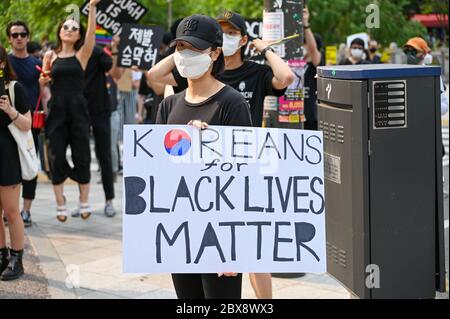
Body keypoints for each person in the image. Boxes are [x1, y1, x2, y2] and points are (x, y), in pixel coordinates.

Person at [156, 14, 252, 299]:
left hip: (220, 234)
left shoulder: (232, 103)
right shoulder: (168, 106)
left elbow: (244, 175)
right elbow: (159, 170)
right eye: (180, 47)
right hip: (180, 232)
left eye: (195, 49)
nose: (186, 55)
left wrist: (234, 247)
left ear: (215, 53)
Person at [39, 0, 101, 222]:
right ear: (60, 31)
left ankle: (84, 201)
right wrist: (42, 81)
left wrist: (92, 8)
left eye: (74, 28)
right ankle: (60, 202)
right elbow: (43, 84)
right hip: (56, 109)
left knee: (82, 153)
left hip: (78, 108)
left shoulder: (81, 55)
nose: (69, 30)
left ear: (78, 35)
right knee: (55, 154)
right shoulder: (50, 56)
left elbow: (92, 36)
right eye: (66, 27)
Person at [7, 21, 44, 227]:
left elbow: (44, 93)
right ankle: (11, 209)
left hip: (31, 124)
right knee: (9, 169)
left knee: (30, 165)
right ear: (9, 39)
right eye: (15, 35)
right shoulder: (5, 63)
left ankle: (26, 210)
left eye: (22, 34)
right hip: (6, 124)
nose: (19, 38)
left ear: (28, 37)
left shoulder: (36, 64)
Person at [0, 44, 32, 280]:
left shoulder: (13, 88)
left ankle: (16, 259)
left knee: (12, 211)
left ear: (2, 64)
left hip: (8, 155)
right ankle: (1, 256)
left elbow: (28, 124)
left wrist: (10, 111)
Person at [81, 44, 116, 218]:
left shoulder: (96, 51)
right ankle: (83, 202)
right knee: (82, 157)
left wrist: (116, 49)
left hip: (100, 110)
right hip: (78, 111)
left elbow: (112, 68)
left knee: (104, 156)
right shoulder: (67, 53)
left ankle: (109, 200)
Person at [403, 37, 448, 116]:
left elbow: (445, 105)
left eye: (413, 51)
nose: (409, 55)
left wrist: (428, 107)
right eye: (407, 51)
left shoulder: (432, 75)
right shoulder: (401, 73)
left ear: (424, 54)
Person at [301, 6, 323, 131]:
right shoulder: (296, 64)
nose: (303, 46)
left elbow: (313, 51)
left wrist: (305, 24)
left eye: (305, 43)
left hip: (311, 117)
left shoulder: (316, 63)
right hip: (295, 114)